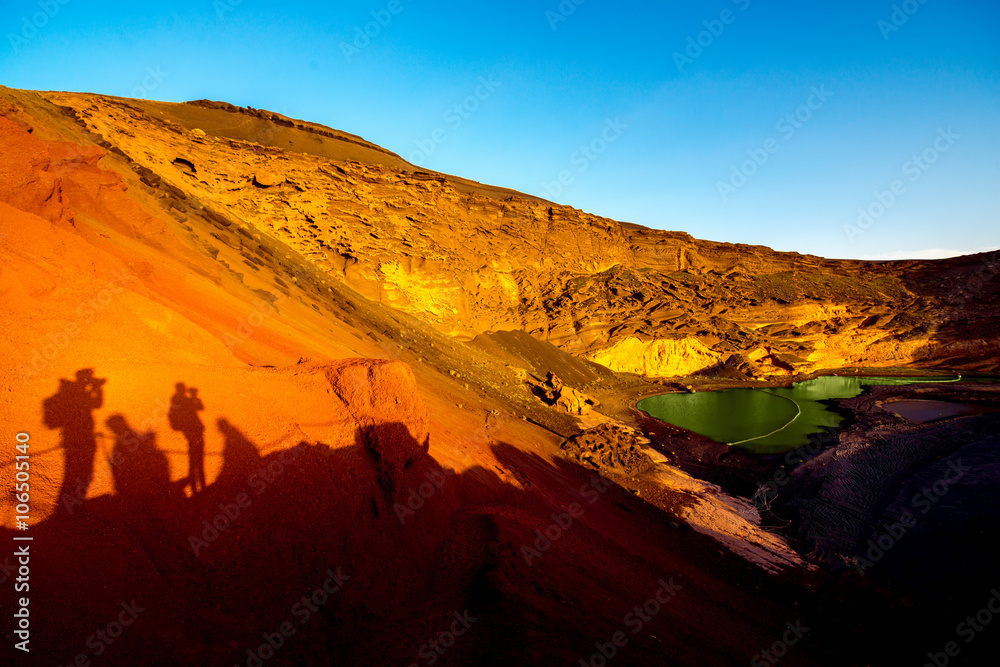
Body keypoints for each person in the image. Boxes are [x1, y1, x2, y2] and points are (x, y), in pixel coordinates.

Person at [168, 382, 206, 494]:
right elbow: (200, 408)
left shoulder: (182, 402)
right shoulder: (182, 402)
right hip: (191, 430)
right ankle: (197, 485)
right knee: (196, 456)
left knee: (195, 455)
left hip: (192, 430)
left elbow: (200, 407)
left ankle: (196, 484)